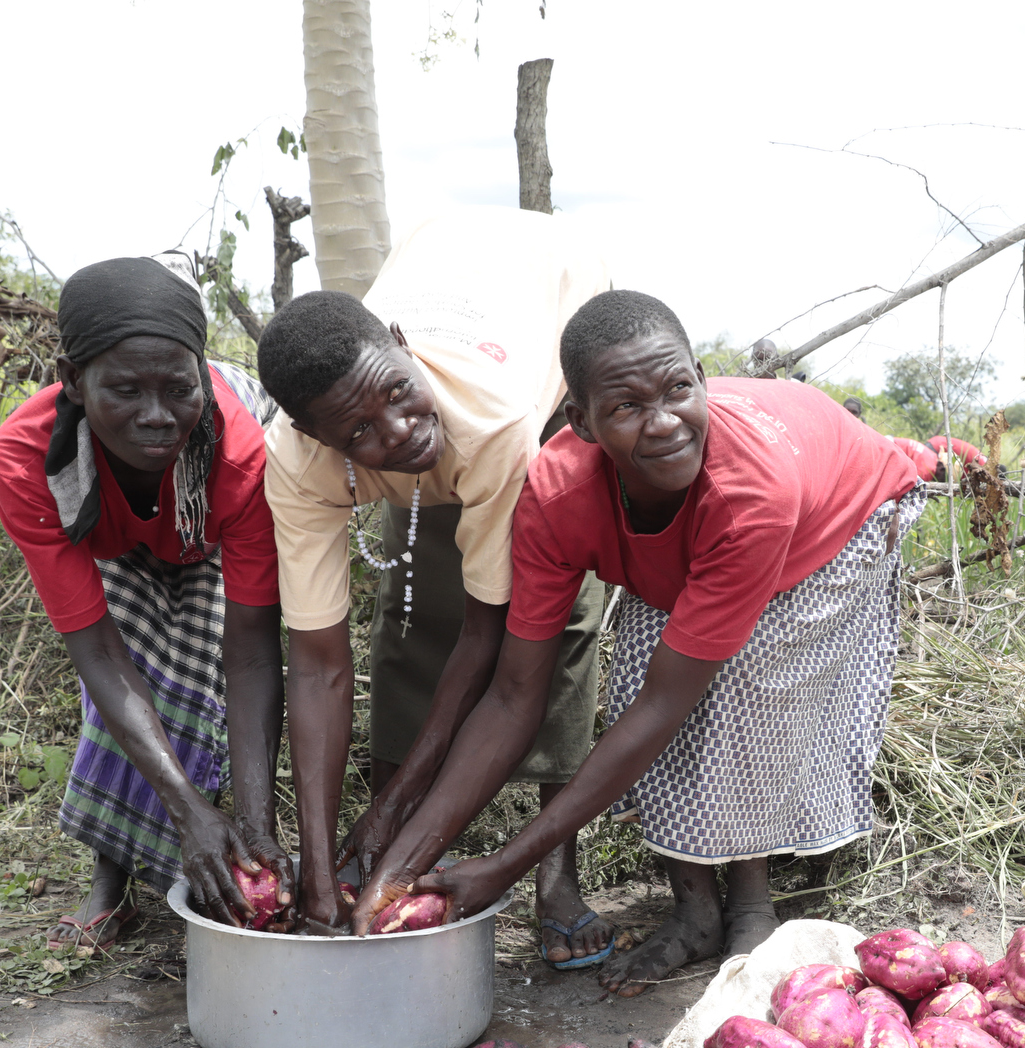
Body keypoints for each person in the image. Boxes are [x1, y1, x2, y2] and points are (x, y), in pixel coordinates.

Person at [349, 290, 925, 997]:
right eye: (626, 408)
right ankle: (695, 911)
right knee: (644, 664)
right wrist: (405, 865)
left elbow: (663, 710)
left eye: (679, 390)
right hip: (708, 535)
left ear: (702, 380)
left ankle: (751, 908)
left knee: (751, 686)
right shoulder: (558, 498)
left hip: (838, 508)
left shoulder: (750, 496)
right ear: (581, 423)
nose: (664, 424)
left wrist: (504, 863)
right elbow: (512, 692)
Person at [256, 207, 613, 962]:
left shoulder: (495, 417)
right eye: (356, 432)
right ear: (313, 436)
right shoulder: (293, 461)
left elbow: (490, 637)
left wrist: (397, 822)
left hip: (547, 294)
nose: (395, 433)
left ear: (400, 343)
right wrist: (316, 867)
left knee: (554, 624)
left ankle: (557, 875)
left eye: (394, 391)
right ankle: (363, 861)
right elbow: (317, 662)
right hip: (440, 270)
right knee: (412, 608)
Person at [0, 257, 287, 946]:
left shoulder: (240, 450)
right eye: (124, 390)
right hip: (110, 535)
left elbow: (249, 657)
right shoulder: (31, 459)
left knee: (199, 665)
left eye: (178, 389)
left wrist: (255, 823)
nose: (156, 417)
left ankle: (234, 857)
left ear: (199, 379)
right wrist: (186, 811)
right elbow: (94, 648)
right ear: (73, 380)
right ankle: (111, 880)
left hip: (211, 520)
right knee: (130, 671)